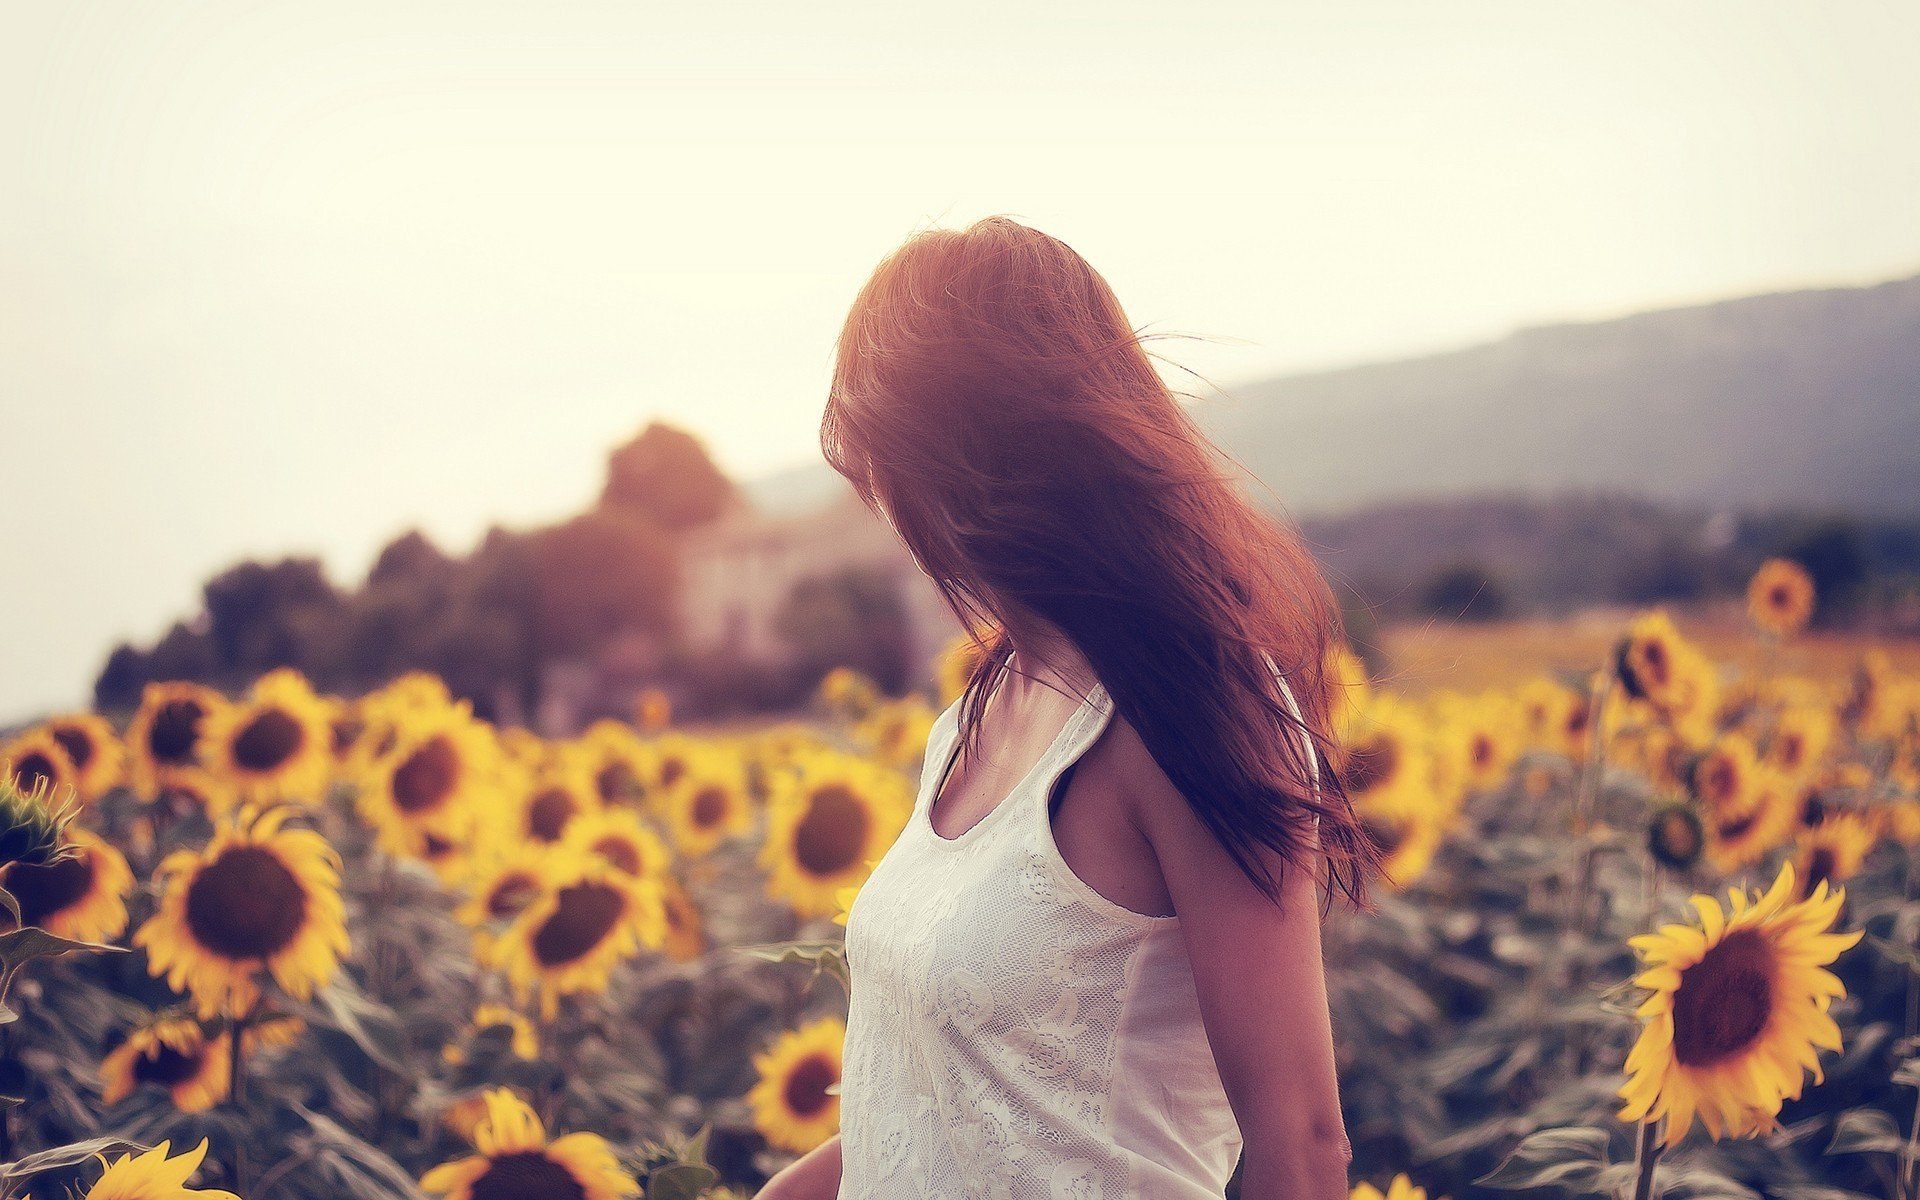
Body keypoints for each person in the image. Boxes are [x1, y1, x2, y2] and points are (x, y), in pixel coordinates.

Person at [762, 217, 1383, 1200]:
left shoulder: (1193, 707)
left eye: (886, 468)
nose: (884, 512)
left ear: (962, 463)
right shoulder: (977, 711)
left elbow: (1301, 1148)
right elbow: (945, 1091)